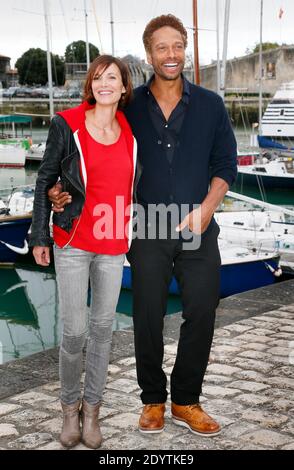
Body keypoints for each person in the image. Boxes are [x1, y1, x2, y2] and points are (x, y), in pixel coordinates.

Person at [49, 14, 237, 437]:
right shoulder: (129, 107)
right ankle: (152, 398)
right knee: (147, 315)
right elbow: (87, 139)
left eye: (177, 46)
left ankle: (186, 400)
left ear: (185, 49)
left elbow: (225, 164)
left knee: (204, 309)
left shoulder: (211, 105)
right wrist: (59, 190)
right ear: (149, 53)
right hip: (145, 227)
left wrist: (207, 209)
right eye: (161, 47)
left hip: (197, 225)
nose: (170, 55)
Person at [29, 55, 136, 448]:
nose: (103, 83)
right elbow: (46, 179)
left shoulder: (130, 128)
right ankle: (69, 409)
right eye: (96, 78)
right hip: (72, 241)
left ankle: (93, 411)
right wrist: (40, 234)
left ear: (124, 87)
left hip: (112, 243)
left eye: (112, 77)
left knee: (103, 330)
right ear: (89, 85)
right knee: (74, 331)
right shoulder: (68, 123)